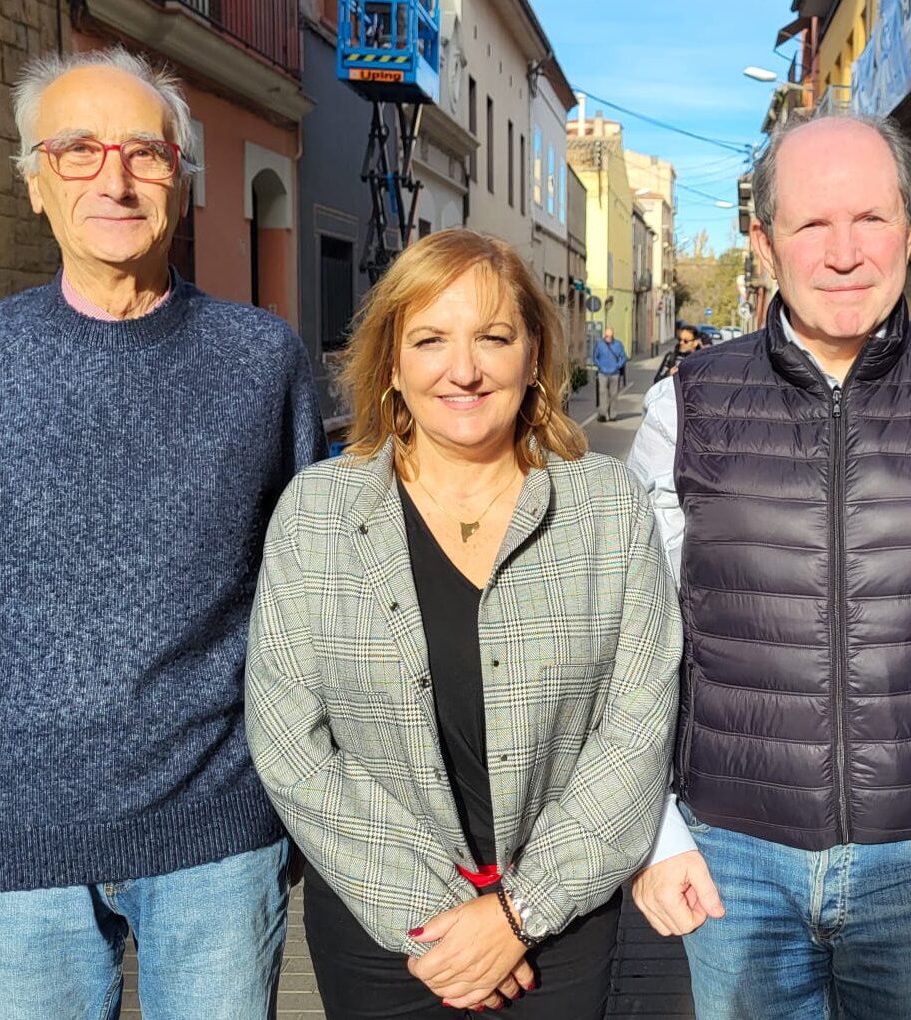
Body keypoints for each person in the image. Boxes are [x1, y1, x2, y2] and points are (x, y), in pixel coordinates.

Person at [0, 48, 322, 1020]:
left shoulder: (260, 360)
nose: (113, 179)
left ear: (182, 182)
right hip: (12, 853)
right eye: (76, 151)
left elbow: (306, 601)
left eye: (144, 154)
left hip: (218, 842)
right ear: (33, 182)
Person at [626, 111, 911, 1020]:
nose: (845, 253)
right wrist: (655, 837)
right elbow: (634, 649)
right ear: (764, 242)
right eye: (812, 224)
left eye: (871, 219)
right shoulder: (684, 408)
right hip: (732, 859)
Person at [244, 228, 680, 1018]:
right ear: (391, 363)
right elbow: (290, 746)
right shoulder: (316, 514)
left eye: (493, 337)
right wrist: (440, 924)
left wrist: (519, 916)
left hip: (561, 925)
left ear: (534, 355)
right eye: (431, 339)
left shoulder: (607, 508)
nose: (465, 369)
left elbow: (637, 729)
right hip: (382, 925)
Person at [591, 325, 628, 421]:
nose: (609, 338)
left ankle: (612, 415)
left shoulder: (618, 345)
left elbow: (623, 357)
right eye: (607, 336)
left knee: (613, 394)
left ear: (613, 336)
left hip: (614, 373)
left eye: (610, 336)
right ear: (604, 335)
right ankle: (603, 414)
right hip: (602, 373)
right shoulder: (600, 345)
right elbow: (595, 357)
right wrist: (600, 365)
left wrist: (617, 365)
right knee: (602, 393)